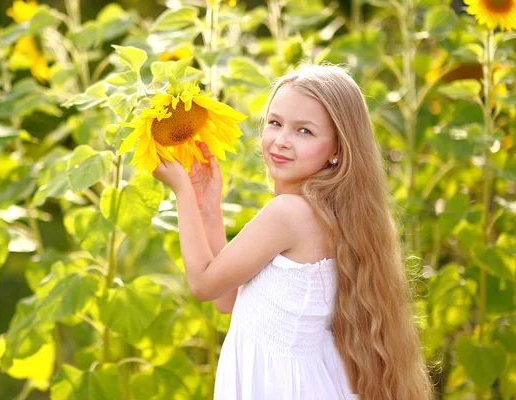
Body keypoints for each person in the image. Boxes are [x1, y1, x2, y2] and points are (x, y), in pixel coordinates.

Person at [152, 64, 433, 400]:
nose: (282, 141)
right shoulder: (326, 212)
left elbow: (202, 284)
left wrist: (182, 190)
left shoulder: (289, 214)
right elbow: (226, 299)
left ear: (337, 150)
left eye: (305, 131)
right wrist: (208, 206)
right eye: (275, 123)